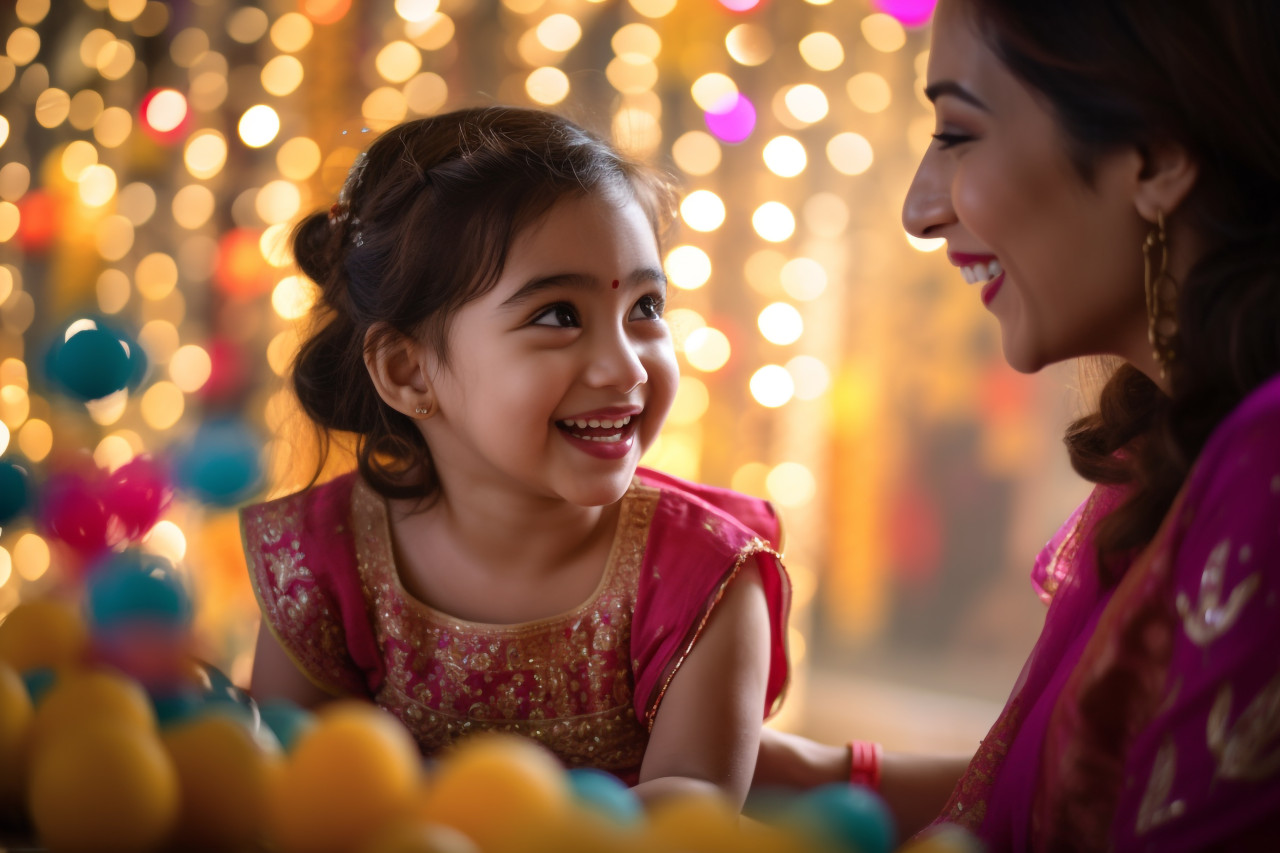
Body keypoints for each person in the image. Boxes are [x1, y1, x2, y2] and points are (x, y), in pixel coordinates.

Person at [753, 0, 1280, 848]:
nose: (920, 210)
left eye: (957, 134)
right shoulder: (1171, 454)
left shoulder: (1267, 460)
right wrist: (796, 775)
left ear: (1156, 156)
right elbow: (1069, 798)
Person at [241, 106, 791, 808]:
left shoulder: (705, 577)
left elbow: (691, 816)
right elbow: (291, 791)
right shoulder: (323, 559)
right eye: (559, 315)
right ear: (409, 372)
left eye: (646, 308)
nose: (626, 369)